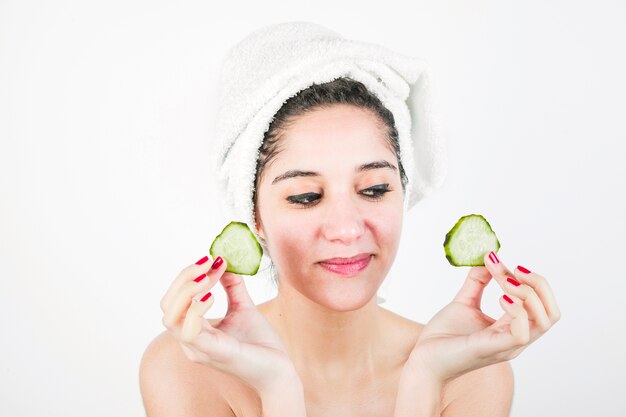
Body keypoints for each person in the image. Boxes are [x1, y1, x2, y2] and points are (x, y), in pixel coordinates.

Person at [139, 23, 560, 417]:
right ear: (255, 218)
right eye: (306, 197)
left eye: (374, 190)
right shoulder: (185, 368)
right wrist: (278, 387)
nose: (346, 229)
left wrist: (426, 377)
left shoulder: (473, 370)